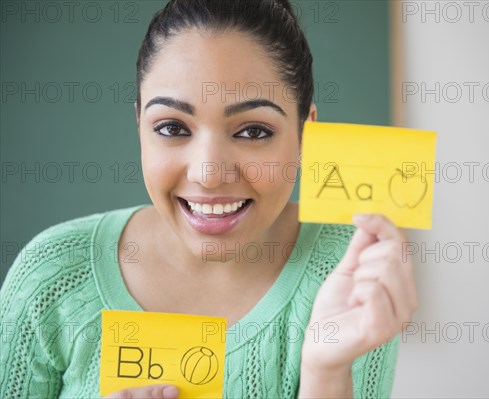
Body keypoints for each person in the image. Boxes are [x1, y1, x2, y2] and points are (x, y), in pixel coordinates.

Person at [0, 0, 417, 397]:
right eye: (171, 128)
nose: (209, 174)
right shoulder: (51, 275)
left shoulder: (346, 275)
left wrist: (326, 373)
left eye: (254, 131)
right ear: (138, 124)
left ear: (307, 133)